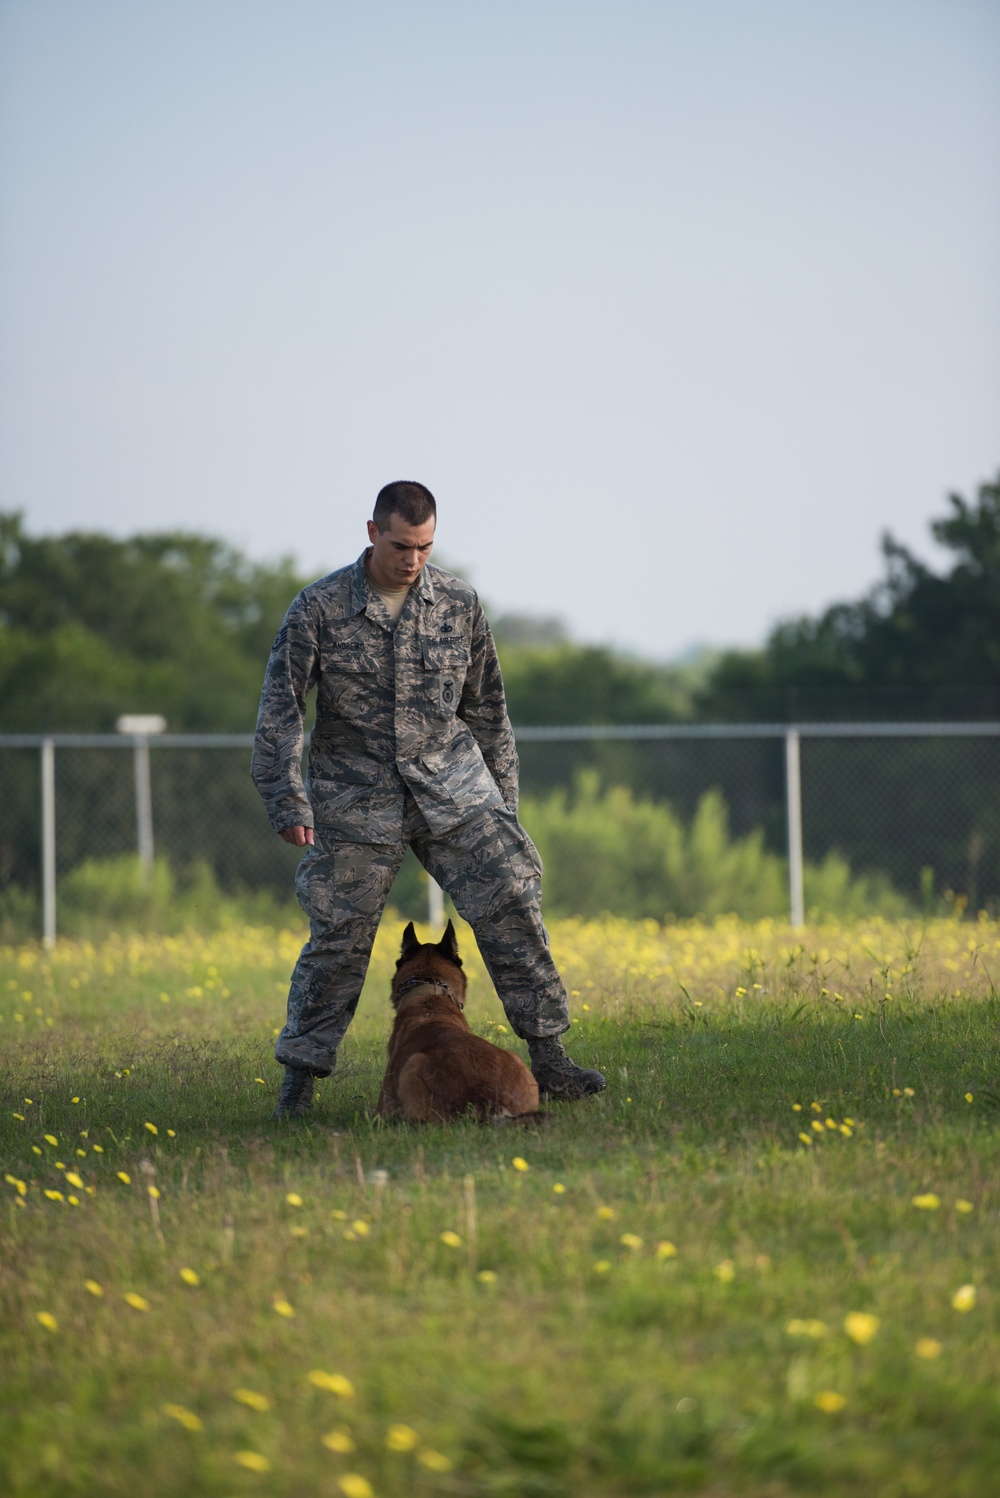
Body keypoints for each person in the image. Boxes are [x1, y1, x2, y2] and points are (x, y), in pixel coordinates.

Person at [252, 480, 606, 1118]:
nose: (412, 559)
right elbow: (281, 711)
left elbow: (489, 711)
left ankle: (551, 1062)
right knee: (337, 938)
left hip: (453, 786)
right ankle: (298, 1086)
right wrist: (288, 799)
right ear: (371, 533)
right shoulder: (319, 608)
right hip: (356, 796)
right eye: (400, 545)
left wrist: (505, 806)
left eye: (424, 546)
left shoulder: (459, 604)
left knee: (514, 897)